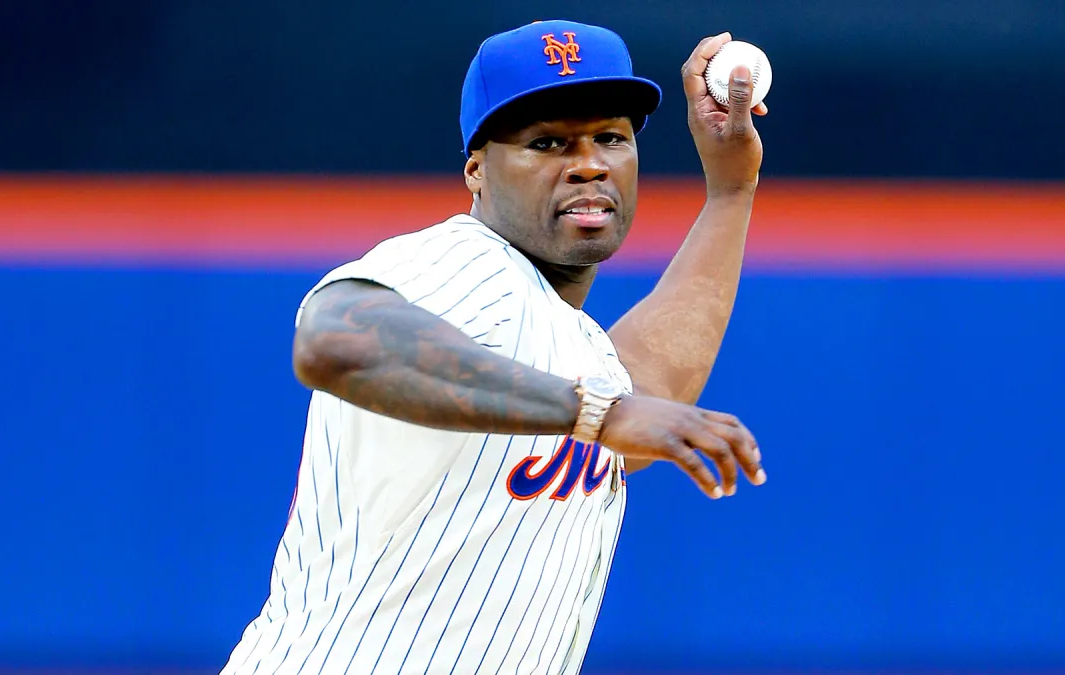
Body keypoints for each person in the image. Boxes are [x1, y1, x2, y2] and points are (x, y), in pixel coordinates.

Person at [220, 19, 768, 675]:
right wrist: (602, 412)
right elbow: (333, 338)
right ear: (477, 171)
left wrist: (731, 192)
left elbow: (642, 388)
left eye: (611, 138)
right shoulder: (466, 264)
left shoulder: (565, 339)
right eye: (547, 143)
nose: (589, 162)